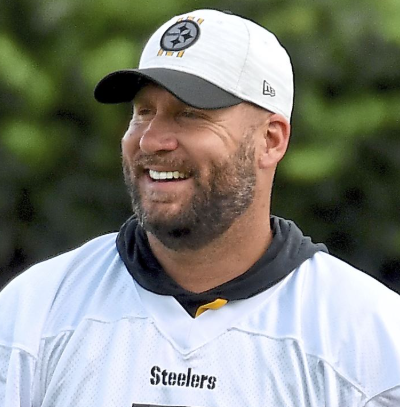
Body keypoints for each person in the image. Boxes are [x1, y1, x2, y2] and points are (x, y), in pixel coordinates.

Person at [1, 8, 400, 407]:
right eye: (143, 112)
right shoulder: (34, 312)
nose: (150, 140)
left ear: (271, 140)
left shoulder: (369, 341)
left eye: (190, 114)